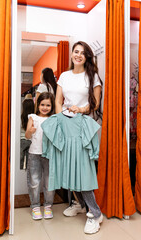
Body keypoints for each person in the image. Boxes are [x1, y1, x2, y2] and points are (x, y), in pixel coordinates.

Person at [55, 41, 103, 234]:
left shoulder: (93, 76)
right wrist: (61, 121)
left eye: (83, 53)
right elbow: (58, 101)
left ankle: (95, 213)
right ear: (72, 54)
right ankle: (80, 204)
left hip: (83, 126)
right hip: (66, 126)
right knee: (70, 168)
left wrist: (80, 110)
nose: (78, 55)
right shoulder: (64, 76)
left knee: (83, 171)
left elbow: (95, 104)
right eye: (76, 52)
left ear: (87, 57)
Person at [25, 92, 55, 220]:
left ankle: (48, 206)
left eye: (48, 105)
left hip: (49, 155)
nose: (45, 107)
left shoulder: (53, 119)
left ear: (52, 106)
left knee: (49, 182)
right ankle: (35, 206)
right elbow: (27, 136)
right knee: (34, 182)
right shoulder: (32, 117)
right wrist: (30, 131)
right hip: (34, 154)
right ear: (38, 105)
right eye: (42, 104)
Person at [20, 98, 34, 169]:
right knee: (30, 162)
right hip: (31, 141)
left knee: (20, 161)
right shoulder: (33, 118)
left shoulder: (20, 117)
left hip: (21, 140)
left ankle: (19, 176)